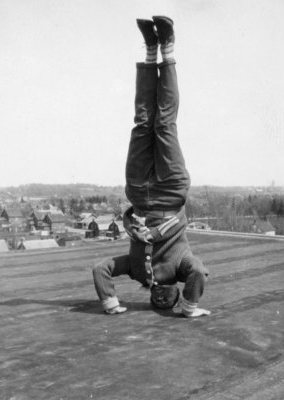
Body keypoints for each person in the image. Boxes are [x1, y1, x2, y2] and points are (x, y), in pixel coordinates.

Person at [92, 16, 210, 318]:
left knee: (143, 123)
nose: (159, 298)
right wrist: (190, 307)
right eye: (166, 300)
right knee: (165, 124)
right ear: (175, 293)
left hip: (139, 193)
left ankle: (149, 50)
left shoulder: (136, 272)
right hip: (170, 192)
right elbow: (199, 271)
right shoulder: (182, 268)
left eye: (155, 301)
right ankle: (167, 49)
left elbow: (101, 269)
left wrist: (110, 302)